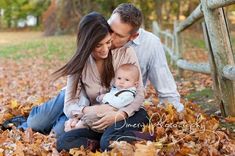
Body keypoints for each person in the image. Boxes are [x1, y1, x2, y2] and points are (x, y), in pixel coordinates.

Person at [16, 2, 182, 150]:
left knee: (60, 132)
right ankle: (25, 120)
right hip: (79, 96)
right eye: (110, 28)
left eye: (117, 35)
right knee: (36, 122)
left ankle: (70, 128)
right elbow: (74, 101)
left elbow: (150, 91)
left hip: (112, 103)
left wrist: (172, 113)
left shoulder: (141, 48)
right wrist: (82, 113)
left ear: (133, 37)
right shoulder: (94, 45)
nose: (110, 36)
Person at [64, 63, 140, 132]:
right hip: (101, 111)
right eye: (119, 78)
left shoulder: (129, 94)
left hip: (111, 116)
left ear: (135, 84)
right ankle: (76, 124)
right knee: (87, 117)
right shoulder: (117, 89)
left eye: (127, 80)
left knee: (90, 119)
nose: (121, 82)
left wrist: (104, 97)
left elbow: (118, 103)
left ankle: (78, 127)